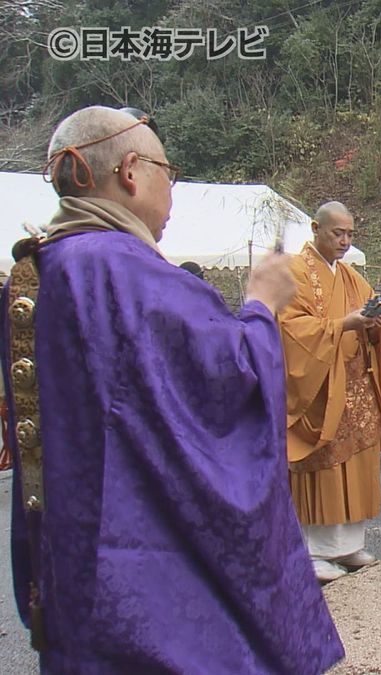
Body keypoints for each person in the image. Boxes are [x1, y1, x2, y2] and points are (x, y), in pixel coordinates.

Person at [2, 105, 342, 672]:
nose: (172, 190)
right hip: (145, 579)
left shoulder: (40, 268)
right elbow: (232, 385)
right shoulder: (125, 270)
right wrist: (260, 306)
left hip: (75, 559)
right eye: (169, 171)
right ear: (131, 171)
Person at [278, 201, 381, 583]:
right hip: (320, 385)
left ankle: (348, 545)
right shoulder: (294, 271)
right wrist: (342, 324)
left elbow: (367, 312)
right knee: (326, 460)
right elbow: (288, 328)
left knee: (358, 461)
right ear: (316, 228)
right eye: (338, 233)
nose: (345, 241)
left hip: (355, 383)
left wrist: (375, 323)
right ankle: (314, 550)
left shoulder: (349, 275)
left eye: (350, 234)